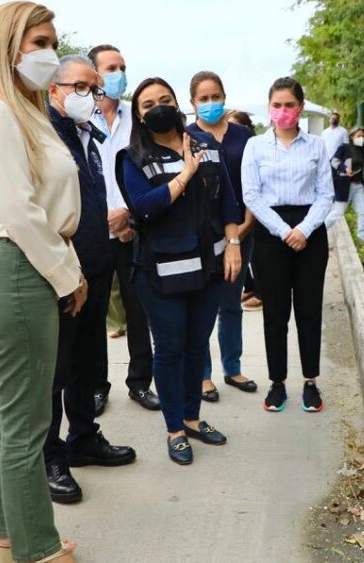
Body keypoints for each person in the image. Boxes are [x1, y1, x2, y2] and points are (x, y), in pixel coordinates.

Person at [0, 0, 81, 563]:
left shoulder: (15, 108)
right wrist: (68, 275)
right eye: (40, 43)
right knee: (28, 423)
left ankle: (11, 538)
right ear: (8, 47)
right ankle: (39, 550)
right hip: (15, 264)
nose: (50, 54)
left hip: (15, 262)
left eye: (53, 43)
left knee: (11, 418)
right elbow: (19, 210)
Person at [118, 77, 241, 465]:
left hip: (209, 270)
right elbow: (144, 206)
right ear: (139, 115)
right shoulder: (133, 157)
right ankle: (175, 429)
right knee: (170, 350)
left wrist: (233, 243)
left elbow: (228, 200)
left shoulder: (205, 145)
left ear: (177, 104)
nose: (159, 107)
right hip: (161, 275)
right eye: (148, 104)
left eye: (165, 99)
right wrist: (185, 174)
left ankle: (192, 417)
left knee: (195, 346)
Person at [43, 55, 136, 505]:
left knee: (87, 361)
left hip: (95, 265)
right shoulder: (44, 136)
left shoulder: (86, 134)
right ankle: (49, 456)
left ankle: (83, 438)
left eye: (94, 89)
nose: (90, 96)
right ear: (53, 89)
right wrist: (67, 273)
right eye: (80, 87)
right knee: (55, 370)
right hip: (63, 272)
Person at [242, 77, 334, 413]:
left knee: (309, 311)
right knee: (275, 314)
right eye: (277, 105)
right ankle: (277, 383)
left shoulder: (316, 145)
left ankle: (310, 381)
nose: (283, 111)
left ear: (301, 107)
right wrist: (284, 231)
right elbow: (251, 195)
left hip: (310, 231)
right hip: (271, 233)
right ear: (269, 108)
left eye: (290, 105)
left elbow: (326, 194)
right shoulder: (255, 146)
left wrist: (304, 229)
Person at [87, 44, 159, 414]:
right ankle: (96, 387)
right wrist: (99, 216)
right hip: (92, 232)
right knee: (94, 312)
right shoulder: (79, 119)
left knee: (138, 310)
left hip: (132, 230)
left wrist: (129, 215)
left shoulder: (136, 119)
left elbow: (148, 171)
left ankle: (140, 383)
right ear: (94, 75)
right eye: (111, 67)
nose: (119, 74)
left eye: (123, 67)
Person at [184, 71, 258, 402]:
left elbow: (256, 181)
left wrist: (244, 226)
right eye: (203, 98)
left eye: (216, 97)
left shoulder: (244, 135)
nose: (210, 103)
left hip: (244, 228)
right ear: (193, 103)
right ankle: (202, 374)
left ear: (225, 98)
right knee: (201, 307)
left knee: (231, 303)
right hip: (202, 234)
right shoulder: (187, 137)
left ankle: (233, 367)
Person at [226, 111, 263, 311]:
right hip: (232, 216)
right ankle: (250, 287)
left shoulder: (250, 144)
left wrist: (249, 220)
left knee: (255, 255)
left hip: (250, 212)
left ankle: (261, 293)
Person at [324, 126, 364, 248]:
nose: (361, 138)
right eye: (359, 136)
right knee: (338, 213)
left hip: (359, 186)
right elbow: (334, 161)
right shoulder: (344, 147)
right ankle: (319, 231)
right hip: (344, 185)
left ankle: (362, 236)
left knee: (363, 213)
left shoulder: (363, 150)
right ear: (352, 136)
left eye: (363, 136)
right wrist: (344, 168)